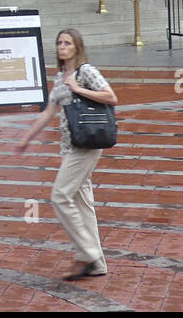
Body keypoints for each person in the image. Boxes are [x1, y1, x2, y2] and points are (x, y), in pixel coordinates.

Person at [16, 28, 118, 280]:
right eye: (60, 43)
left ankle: (88, 253)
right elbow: (49, 112)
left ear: (77, 47)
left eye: (68, 43)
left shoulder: (86, 72)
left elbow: (111, 97)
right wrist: (27, 138)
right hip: (69, 148)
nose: (62, 47)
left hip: (85, 147)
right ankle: (98, 264)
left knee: (60, 196)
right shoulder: (61, 76)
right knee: (83, 206)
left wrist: (78, 88)